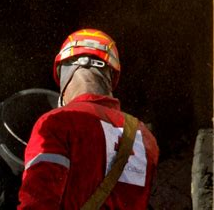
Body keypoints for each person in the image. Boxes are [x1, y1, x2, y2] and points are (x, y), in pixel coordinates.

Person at [18, 29, 159, 209]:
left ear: (66, 73)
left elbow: (38, 201)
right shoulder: (145, 136)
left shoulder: (58, 122)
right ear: (111, 76)